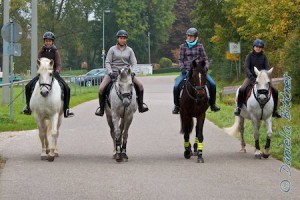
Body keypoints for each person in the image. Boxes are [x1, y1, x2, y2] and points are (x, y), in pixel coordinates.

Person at [95, 30, 149, 116]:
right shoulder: (112, 49)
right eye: (121, 38)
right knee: (101, 88)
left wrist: (133, 72)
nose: (122, 40)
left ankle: (141, 105)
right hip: (114, 73)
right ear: (118, 39)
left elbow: (134, 62)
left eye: (124, 38)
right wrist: (110, 72)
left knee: (140, 86)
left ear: (126, 39)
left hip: (126, 74)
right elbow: (107, 62)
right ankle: (101, 109)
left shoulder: (130, 50)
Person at [23, 31, 74, 118]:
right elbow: (38, 63)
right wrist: (40, 70)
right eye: (46, 41)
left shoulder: (55, 51)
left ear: (52, 42)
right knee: (28, 86)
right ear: (44, 41)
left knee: (67, 88)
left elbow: (58, 64)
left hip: (53, 74)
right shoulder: (41, 51)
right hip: (43, 74)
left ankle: (66, 109)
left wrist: (57, 71)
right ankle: (28, 107)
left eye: (49, 41)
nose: (48, 42)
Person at [172, 27, 220, 114]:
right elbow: (180, 60)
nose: (189, 37)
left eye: (191, 36)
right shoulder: (183, 46)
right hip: (186, 70)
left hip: (199, 71)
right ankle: (177, 106)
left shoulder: (200, 46)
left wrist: (205, 68)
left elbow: (205, 59)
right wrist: (182, 68)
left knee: (212, 84)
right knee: (176, 86)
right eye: (188, 36)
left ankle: (212, 104)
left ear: (195, 37)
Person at [234, 39, 281, 118]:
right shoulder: (249, 56)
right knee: (242, 89)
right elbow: (246, 67)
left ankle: (275, 111)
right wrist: (251, 77)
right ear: (253, 47)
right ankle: (238, 108)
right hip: (251, 77)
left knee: (275, 91)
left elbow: (267, 68)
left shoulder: (264, 57)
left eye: (260, 47)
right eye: (256, 47)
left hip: (262, 79)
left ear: (262, 48)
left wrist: (265, 77)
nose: (258, 48)